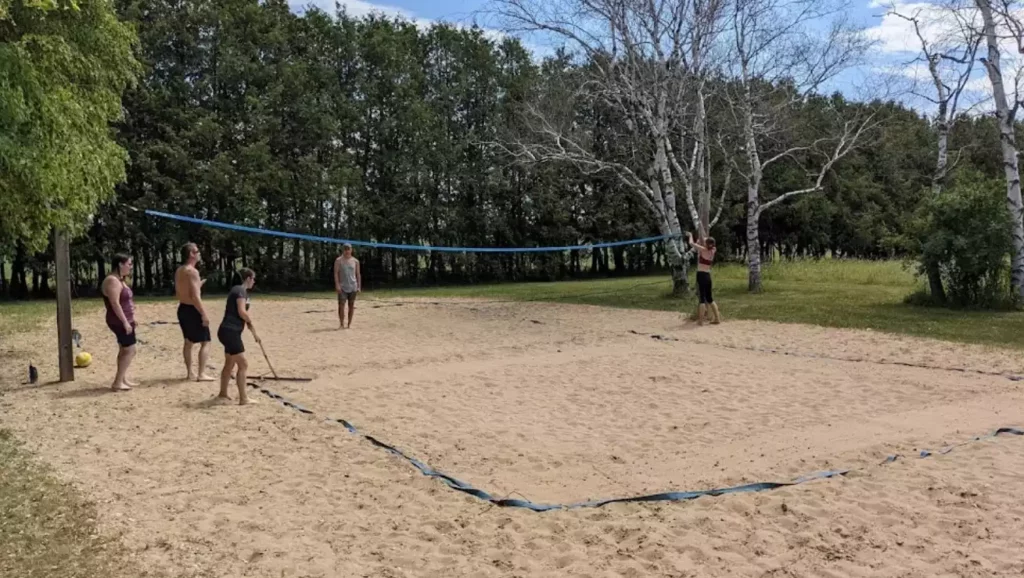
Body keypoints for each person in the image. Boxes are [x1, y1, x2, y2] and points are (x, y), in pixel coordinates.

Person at [217, 268, 260, 405]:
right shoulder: (240, 291)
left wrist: (253, 331)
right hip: (230, 332)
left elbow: (241, 315)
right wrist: (250, 322)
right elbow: (242, 312)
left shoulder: (240, 291)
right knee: (243, 364)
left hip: (227, 331)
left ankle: (223, 393)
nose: (254, 281)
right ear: (248, 278)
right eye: (253, 278)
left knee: (229, 363)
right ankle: (244, 398)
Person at [174, 242, 214, 381]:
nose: (199, 254)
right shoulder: (192, 271)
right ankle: (201, 374)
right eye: (197, 251)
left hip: (182, 308)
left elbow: (181, 291)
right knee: (206, 341)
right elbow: (195, 297)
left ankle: (189, 373)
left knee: (188, 342)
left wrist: (199, 284)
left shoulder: (180, 270)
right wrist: (203, 314)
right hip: (192, 309)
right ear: (191, 254)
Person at [102, 253, 138, 391]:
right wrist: (125, 322)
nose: (131, 267)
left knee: (124, 349)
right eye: (129, 264)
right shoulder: (112, 281)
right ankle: (117, 382)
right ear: (120, 264)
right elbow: (115, 303)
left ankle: (122, 378)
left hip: (126, 319)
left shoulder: (120, 280)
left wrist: (132, 318)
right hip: (118, 321)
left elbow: (126, 302)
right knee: (130, 350)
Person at [688, 231, 721, 326]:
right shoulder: (713, 250)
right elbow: (706, 240)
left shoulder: (703, 250)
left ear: (707, 244)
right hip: (708, 275)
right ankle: (717, 318)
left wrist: (690, 235)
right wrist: (702, 236)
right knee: (710, 298)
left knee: (702, 298)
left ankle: (701, 321)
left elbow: (691, 243)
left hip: (701, 275)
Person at [333, 243, 361, 329]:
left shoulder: (355, 261)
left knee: (351, 305)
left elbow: (358, 274)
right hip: (342, 287)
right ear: (343, 250)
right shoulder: (338, 261)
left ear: (351, 250)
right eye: (345, 249)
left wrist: (359, 286)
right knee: (341, 305)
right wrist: (337, 285)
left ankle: (349, 324)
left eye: (348, 249)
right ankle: (341, 323)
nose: (347, 251)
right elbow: (336, 273)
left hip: (353, 286)